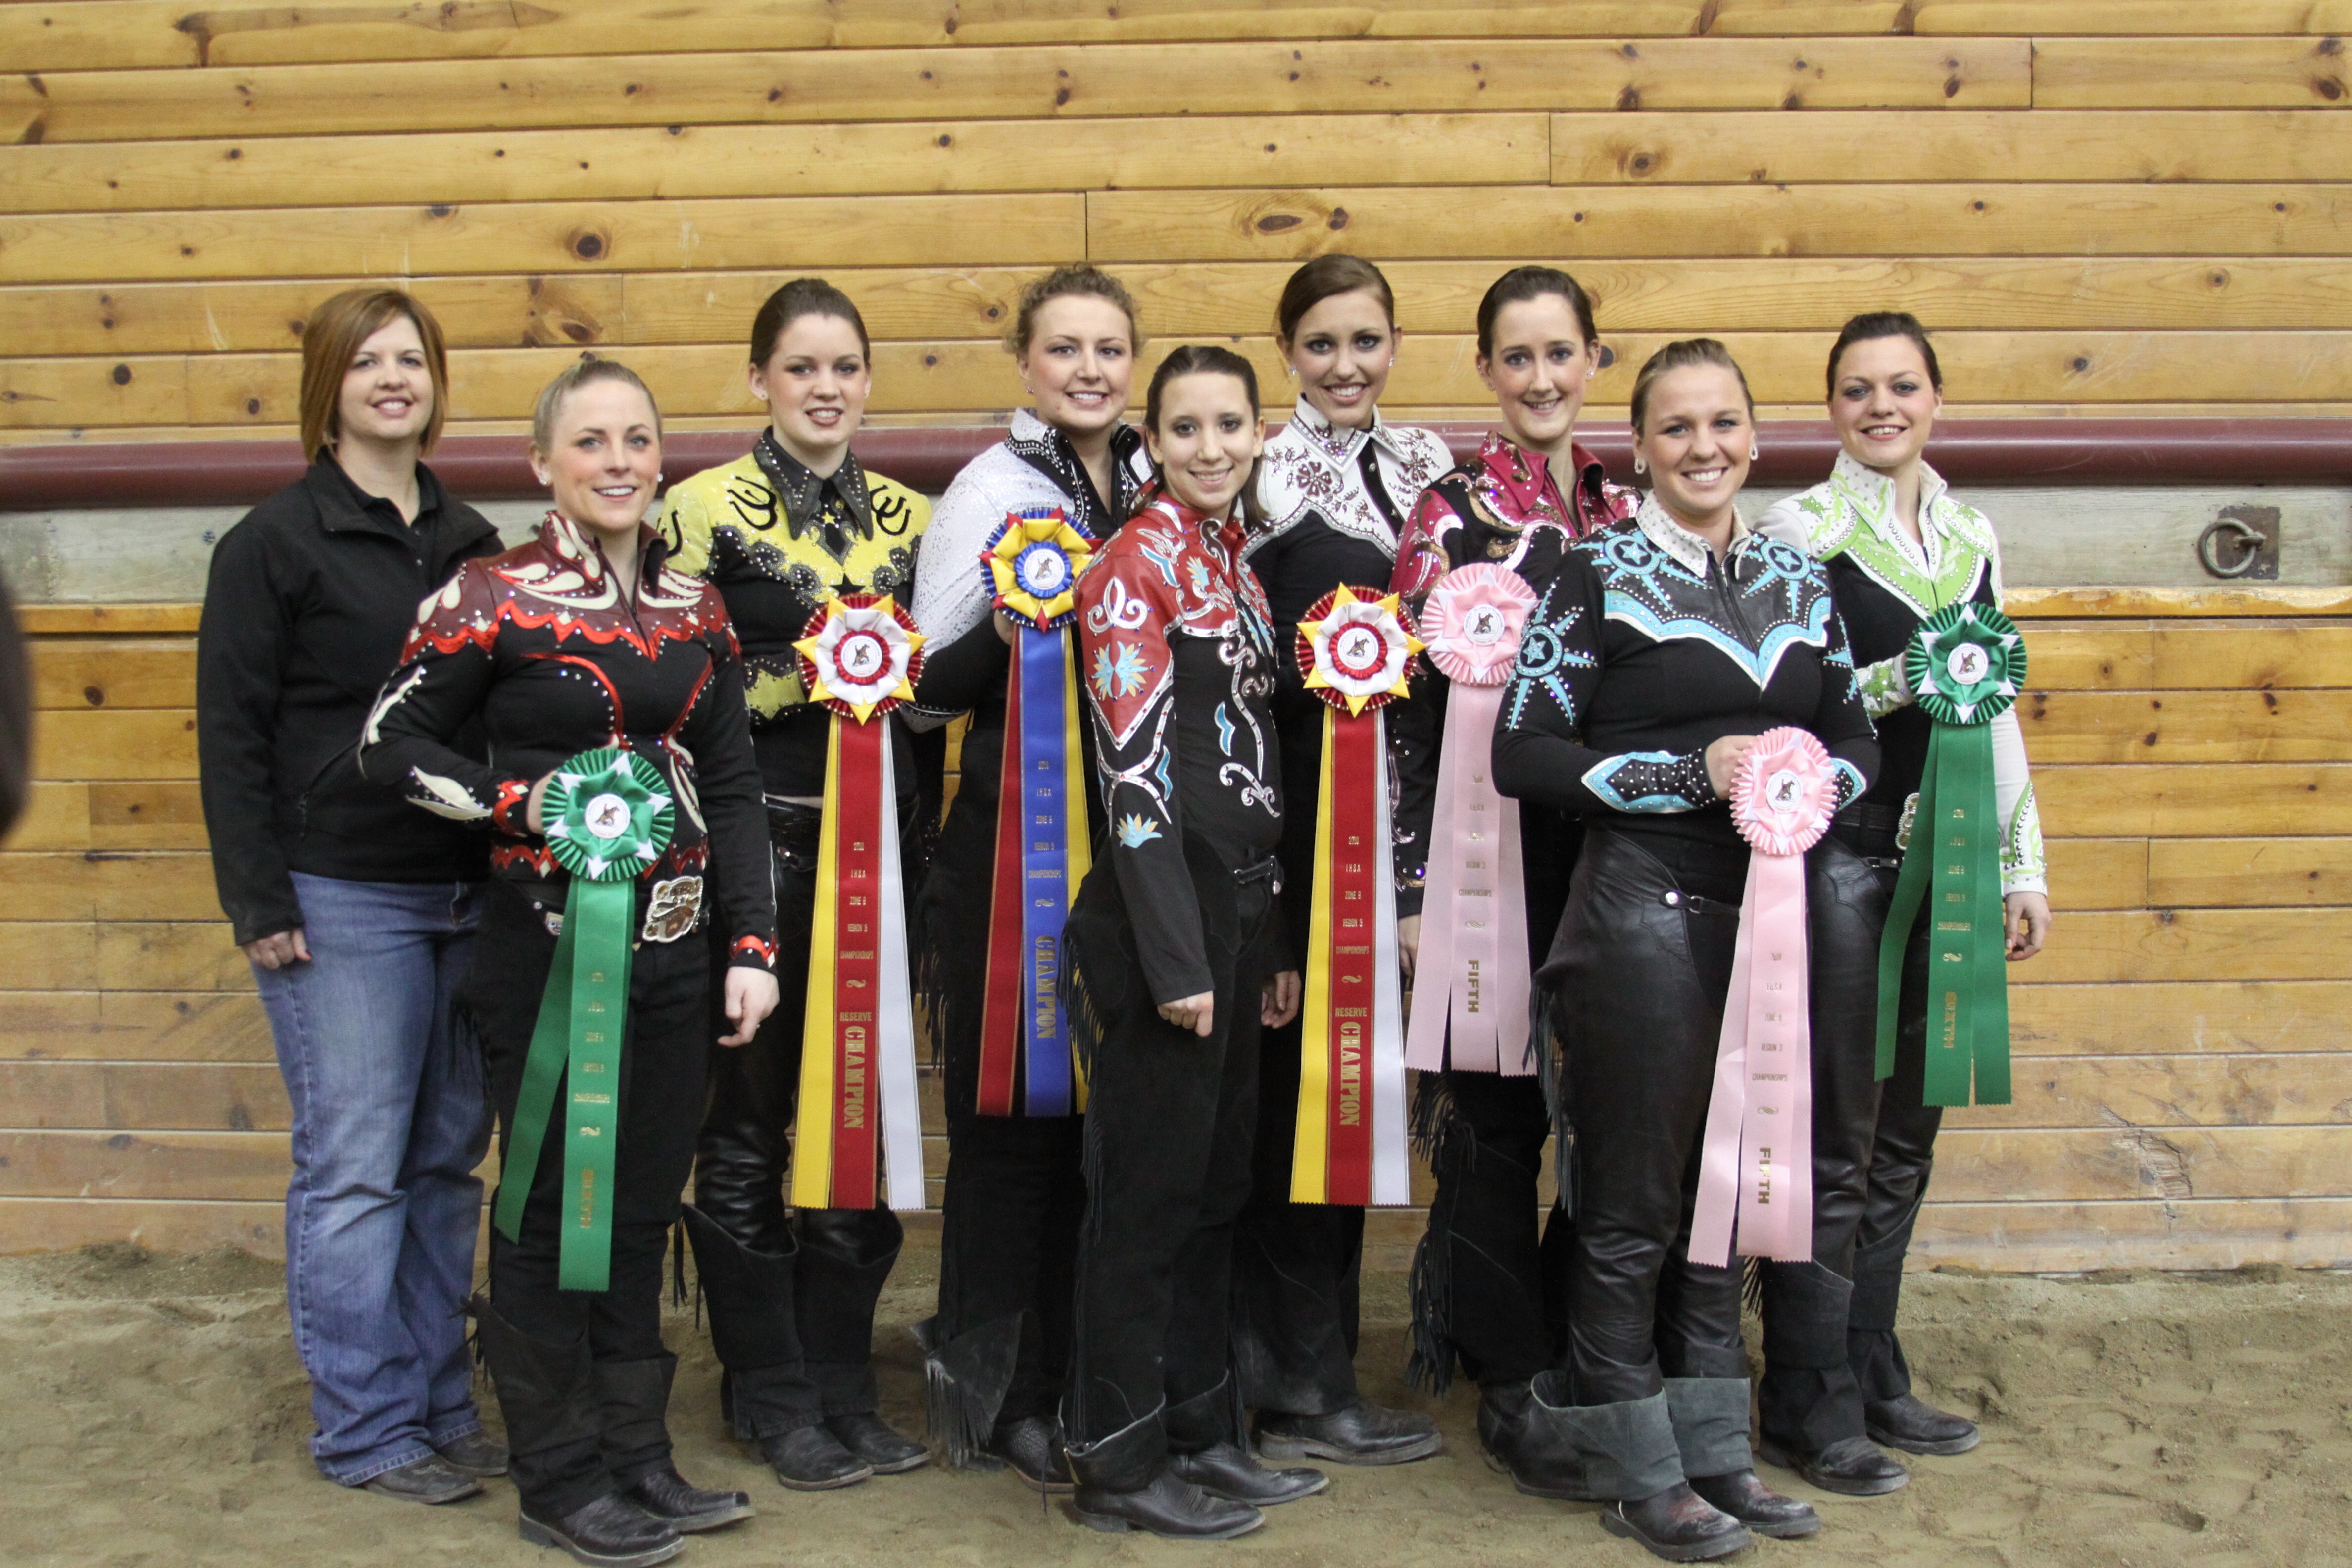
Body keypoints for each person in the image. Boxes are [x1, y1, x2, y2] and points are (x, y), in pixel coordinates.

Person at [361, 356, 780, 1568]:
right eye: (589, 442)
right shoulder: (484, 595)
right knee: (551, 1214)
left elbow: (737, 785)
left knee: (643, 1208)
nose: (617, 462)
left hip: (682, 952)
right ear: (544, 462)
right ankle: (558, 1477)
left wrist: (751, 945)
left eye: (637, 440)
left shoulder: (698, 605)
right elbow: (388, 748)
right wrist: (524, 802)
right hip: (543, 954)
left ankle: (637, 1457)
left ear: (660, 459)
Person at [1491, 339, 1880, 1562]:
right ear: (1644, 448)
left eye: (1724, 424)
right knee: (1633, 1206)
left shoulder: (1800, 575)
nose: (1703, 447)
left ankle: (1712, 1447)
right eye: (1675, 428)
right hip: (1640, 914)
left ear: (1756, 438)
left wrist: (1810, 776)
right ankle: (1627, 1454)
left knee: (1733, 1191)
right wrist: (1681, 774)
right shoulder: (1590, 571)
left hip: (1773, 919)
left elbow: (1856, 735)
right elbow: (1520, 752)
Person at [196, 287, 506, 1506]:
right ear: (328, 386)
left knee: (443, 1162)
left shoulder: (475, 542)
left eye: (412, 359)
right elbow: (232, 734)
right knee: (357, 1166)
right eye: (369, 361)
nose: (395, 378)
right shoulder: (273, 544)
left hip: (462, 899)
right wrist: (257, 897)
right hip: (342, 901)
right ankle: (367, 1426)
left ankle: (438, 1401)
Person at [1757, 311, 2050, 1479]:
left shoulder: (1974, 530)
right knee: (1839, 1130)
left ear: (1937, 396)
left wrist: (2023, 865)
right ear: (1831, 407)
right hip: (1844, 854)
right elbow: (1791, 699)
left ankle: (1873, 1361)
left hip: (1957, 853)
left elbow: (1997, 701)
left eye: (1903, 385)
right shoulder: (1802, 527)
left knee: (1911, 1130)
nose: (1883, 406)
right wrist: (1904, 675)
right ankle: (1806, 1386)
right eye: (1858, 389)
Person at [656, 280, 936, 1490]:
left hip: (883, 856)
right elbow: (673, 691)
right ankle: (765, 1390)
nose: (826, 388)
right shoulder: (695, 512)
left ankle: (839, 1383)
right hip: (753, 856)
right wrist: (817, 675)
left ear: (870, 381)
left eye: (846, 367)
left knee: (858, 1130)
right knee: (746, 1131)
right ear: (759, 377)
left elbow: (947, 683)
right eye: (802, 366)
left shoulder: (919, 521)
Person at [1384, 266, 1637, 1493]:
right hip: (1489, 862)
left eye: (1561, 353)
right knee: (1493, 1124)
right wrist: (1414, 886)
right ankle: (1509, 1373)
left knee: (1615, 1113)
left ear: (1596, 358)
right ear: (1486, 370)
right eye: (1517, 357)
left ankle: (1570, 1337)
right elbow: (1400, 723)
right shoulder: (1445, 518)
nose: (1542, 377)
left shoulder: (1633, 510)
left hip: (1617, 856)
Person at [1059, 346, 1316, 1539]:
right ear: (1151, 440)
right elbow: (1135, 778)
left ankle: (1205, 1429)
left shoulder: (1235, 566)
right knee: (1151, 1201)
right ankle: (1117, 1458)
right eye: (1185, 428)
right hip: (1167, 920)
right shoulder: (1129, 569)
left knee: (1217, 1193)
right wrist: (1177, 963)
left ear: (1258, 432)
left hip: (1242, 911)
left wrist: (1262, 950)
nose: (1211, 447)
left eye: (1230, 424)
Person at [908, 264, 1152, 1487]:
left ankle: (1084, 1375)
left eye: (1111, 348)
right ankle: (995, 1389)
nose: (1091, 370)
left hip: (1139, 855)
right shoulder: (991, 489)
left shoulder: (1161, 480)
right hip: (1018, 857)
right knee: (1014, 1129)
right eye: (1066, 349)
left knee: (1112, 1131)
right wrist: (1007, 637)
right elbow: (918, 686)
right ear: (1025, 365)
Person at [1225, 255, 1450, 1468]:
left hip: (1413, 833)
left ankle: (1311, 1371)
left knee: (1353, 1097)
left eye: (1366, 340)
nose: (1346, 365)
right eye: (1320, 344)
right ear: (1286, 350)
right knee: (1291, 1109)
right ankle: (1292, 1383)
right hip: (1302, 828)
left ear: (1397, 342)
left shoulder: (1438, 469)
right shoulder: (1253, 474)